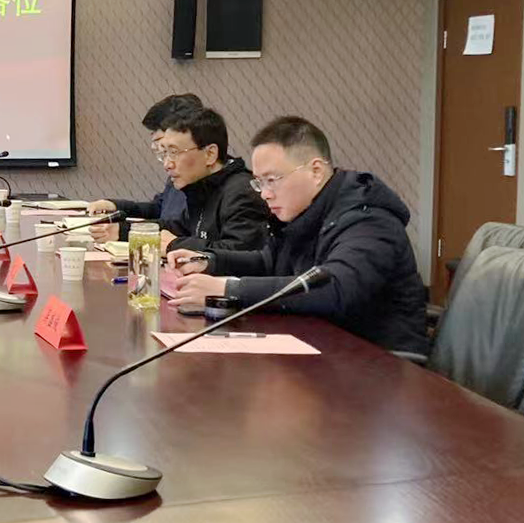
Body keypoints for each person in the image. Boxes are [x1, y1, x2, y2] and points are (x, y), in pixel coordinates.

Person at [169, 116, 430, 357]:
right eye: (259, 182)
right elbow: (269, 262)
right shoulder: (305, 213)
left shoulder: (368, 219)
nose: (265, 193)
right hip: (325, 349)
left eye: (272, 180)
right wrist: (210, 261)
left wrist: (229, 290)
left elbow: (337, 289)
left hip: (382, 363)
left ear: (316, 171)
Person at [129, 105, 269, 254]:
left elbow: (240, 253)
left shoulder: (242, 192)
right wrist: (121, 230)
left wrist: (175, 245)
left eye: (174, 152)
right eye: (164, 153)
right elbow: (175, 227)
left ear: (210, 154)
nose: (167, 164)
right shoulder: (202, 187)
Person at [86, 93, 203, 224]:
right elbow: (160, 209)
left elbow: (180, 227)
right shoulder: (177, 169)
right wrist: (115, 206)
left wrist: (124, 230)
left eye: (158, 139)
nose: (154, 146)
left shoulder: (207, 183)